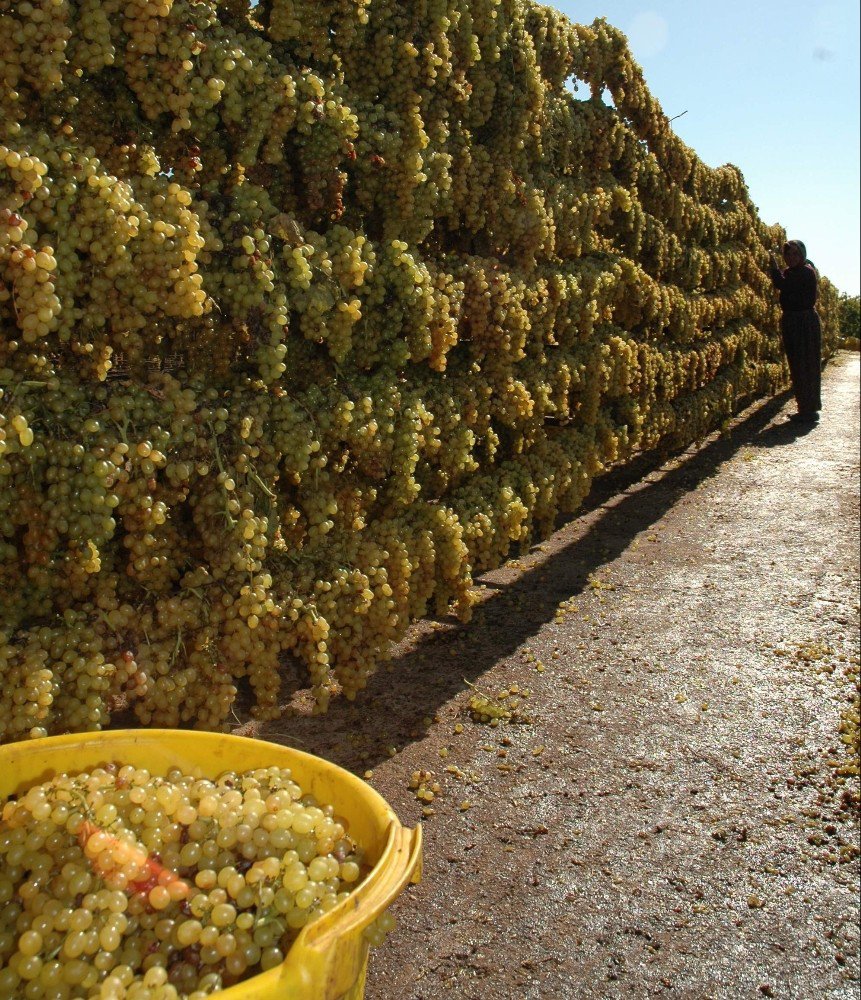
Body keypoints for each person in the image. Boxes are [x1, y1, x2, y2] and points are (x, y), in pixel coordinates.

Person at [768, 239, 822, 425]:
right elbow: (784, 283)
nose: (791, 258)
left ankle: (809, 409)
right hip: (793, 320)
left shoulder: (806, 273)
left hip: (803, 322)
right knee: (797, 364)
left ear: (802, 255)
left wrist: (774, 269)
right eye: (788, 254)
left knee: (806, 363)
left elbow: (783, 285)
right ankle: (805, 407)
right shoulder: (792, 272)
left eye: (795, 254)